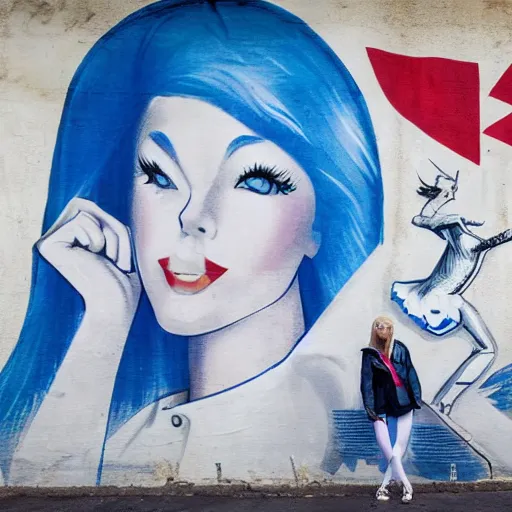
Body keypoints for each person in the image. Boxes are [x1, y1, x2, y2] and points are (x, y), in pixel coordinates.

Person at [0, 0, 383, 485]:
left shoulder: (357, 427)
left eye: (257, 181)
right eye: (159, 175)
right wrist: (104, 317)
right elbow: (40, 494)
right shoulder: (137, 432)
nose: (192, 218)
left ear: (322, 222)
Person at [391, 161, 512, 415]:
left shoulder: (460, 233)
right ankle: (443, 401)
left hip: (449, 297)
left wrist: (446, 200)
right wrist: (446, 201)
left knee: (487, 349)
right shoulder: (456, 230)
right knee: (486, 348)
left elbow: (496, 239)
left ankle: (444, 401)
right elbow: (420, 219)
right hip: (438, 298)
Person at [360, 316, 422, 503]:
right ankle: (406, 486)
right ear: (374, 329)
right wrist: (370, 409)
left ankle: (384, 487)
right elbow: (366, 383)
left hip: (404, 401)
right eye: (379, 326)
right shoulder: (369, 354)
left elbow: (410, 372)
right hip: (380, 404)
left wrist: (417, 397)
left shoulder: (400, 348)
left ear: (392, 329)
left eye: (387, 326)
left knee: (398, 448)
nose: (383, 330)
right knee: (388, 448)